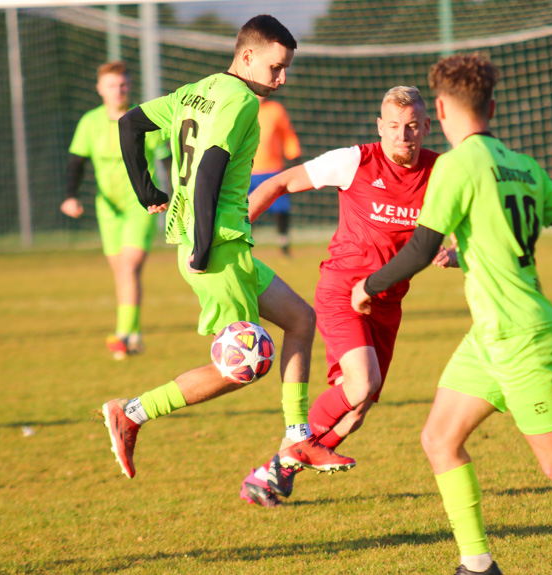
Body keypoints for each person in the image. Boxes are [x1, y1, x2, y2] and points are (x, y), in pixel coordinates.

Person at [351, 54, 552, 575]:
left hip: (520, 338)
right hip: (492, 335)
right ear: (493, 106)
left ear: (438, 109)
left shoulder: (455, 166)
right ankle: (477, 564)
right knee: (439, 439)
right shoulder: (522, 165)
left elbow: (419, 249)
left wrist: (368, 286)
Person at [100, 15, 354, 482]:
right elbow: (211, 169)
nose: (283, 78)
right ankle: (132, 411)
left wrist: (147, 192)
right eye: (277, 68)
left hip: (224, 246)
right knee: (244, 363)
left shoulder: (196, 89)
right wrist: (201, 241)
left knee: (300, 319)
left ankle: (297, 437)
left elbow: (130, 125)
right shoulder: (240, 102)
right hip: (216, 248)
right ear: (248, 55)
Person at [238, 86, 443, 507]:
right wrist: (234, 233)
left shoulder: (441, 173)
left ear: (426, 127)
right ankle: (298, 449)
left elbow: (464, 242)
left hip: (387, 302)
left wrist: (455, 254)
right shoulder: (356, 160)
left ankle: (272, 472)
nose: (402, 136)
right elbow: (280, 181)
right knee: (361, 382)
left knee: (356, 410)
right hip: (342, 292)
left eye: (411, 127)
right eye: (393, 127)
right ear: (379, 128)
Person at [61, 61, 169, 360]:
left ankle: (122, 335)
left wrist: (172, 193)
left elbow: (166, 157)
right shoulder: (90, 122)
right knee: (122, 273)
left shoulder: (145, 118)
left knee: (129, 268)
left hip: (140, 205)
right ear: (100, 89)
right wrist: (70, 196)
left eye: (122, 85)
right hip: (107, 207)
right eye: (111, 85)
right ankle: (134, 335)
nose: (118, 90)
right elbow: (76, 162)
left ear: (129, 86)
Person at [249, 95, 301, 256]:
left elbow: (288, 134)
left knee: (280, 208)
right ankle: (244, 244)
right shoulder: (242, 109)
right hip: (246, 171)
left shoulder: (275, 109)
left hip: (273, 169)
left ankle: (284, 243)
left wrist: (294, 155)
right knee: (247, 210)